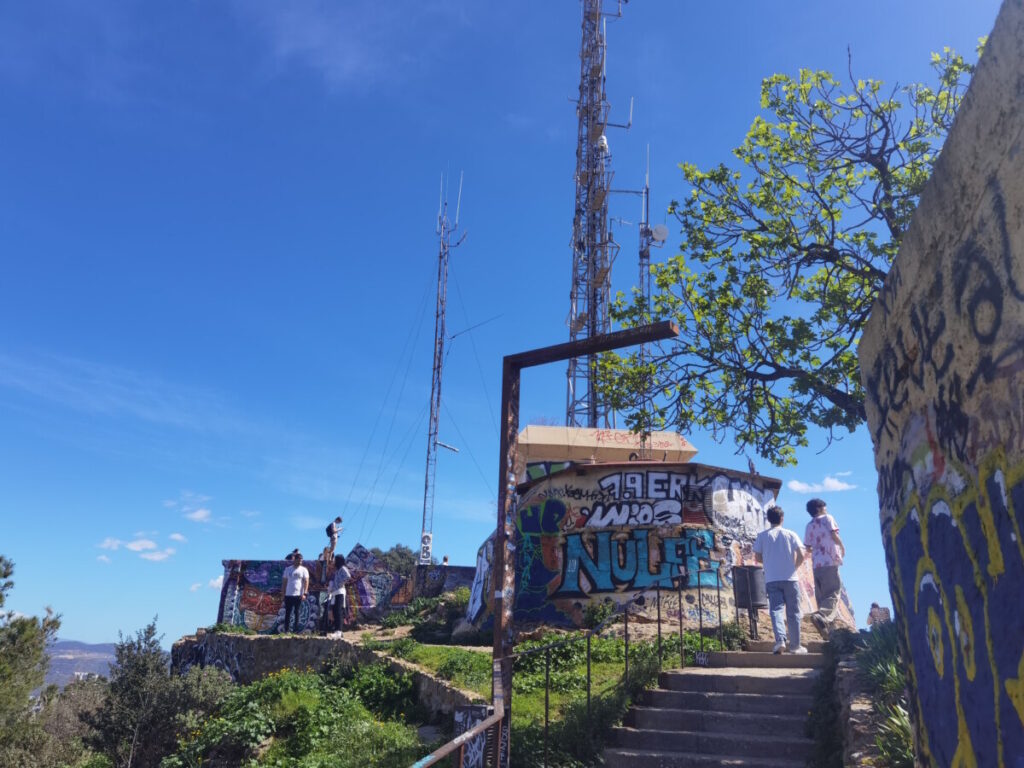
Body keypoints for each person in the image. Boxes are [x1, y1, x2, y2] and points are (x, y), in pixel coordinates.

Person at [753, 506, 807, 654]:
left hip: (771, 578)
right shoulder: (791, 534)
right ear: (782, 518)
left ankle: (780, 641)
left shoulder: (762, 536)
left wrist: (769, 563)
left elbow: (757, 557)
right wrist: (794, 567)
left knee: (776, 610)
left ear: (768, 519)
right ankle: (795, 646)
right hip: (791, 578)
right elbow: (802, 554)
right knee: (793, 612)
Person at [803, 498, 846, 637]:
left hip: (816, 564)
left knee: (822, 597)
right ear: (821, 508)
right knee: (834, 591)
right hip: (830, 561)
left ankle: (828, 632)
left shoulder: (809, 525)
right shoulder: (828, 518)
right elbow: (834, 534)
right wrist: (842, 546)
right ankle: (821, 616)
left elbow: (808, 547)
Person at [280, 552, 309, 633]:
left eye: (301, 560)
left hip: (298, 595)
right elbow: (284, 582)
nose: (300, 561)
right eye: (299, 560)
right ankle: (286, 630)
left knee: (297, 612)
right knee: (288, 613)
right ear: (295, 560)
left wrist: (305, 593)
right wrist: (283, 593)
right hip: (288, 594)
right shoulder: (288, 569)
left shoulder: (304, 570)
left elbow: (306, 581)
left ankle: (296, 630)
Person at [327, 554, 352, 634]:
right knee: (335, 611)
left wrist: (341, 583)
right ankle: (336, 630)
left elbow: (348, 576)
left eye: (335, 560)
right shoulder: (337, 570)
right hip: (335, 592)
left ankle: (339, 630)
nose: (334, 561)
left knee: (338, 611)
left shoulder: (343, 568)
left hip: (340, 592)